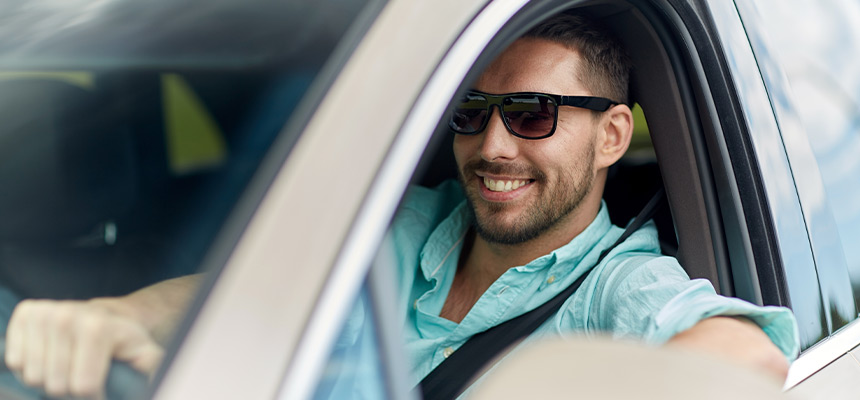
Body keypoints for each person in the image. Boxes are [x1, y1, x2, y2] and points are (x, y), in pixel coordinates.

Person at [3, 12, 798, 399]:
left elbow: (748, 359)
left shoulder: (621, 286)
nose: (491, 147)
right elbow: (250, 293)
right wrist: (121, 317)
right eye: (471, 112)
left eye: (531, 114)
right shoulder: (408, 220)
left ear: (612, 135)